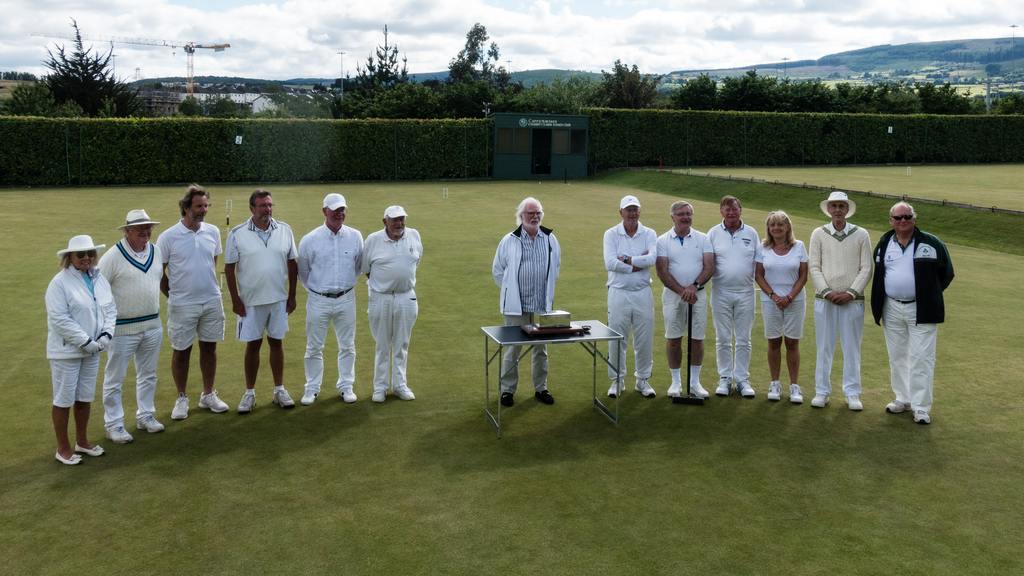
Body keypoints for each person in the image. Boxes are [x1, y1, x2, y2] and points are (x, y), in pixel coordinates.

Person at [871, 201, 954, 425]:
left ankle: (921, 407)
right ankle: (902, 398)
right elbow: (879, 273)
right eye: (898, 218)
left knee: (922, 358)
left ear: (914, 219)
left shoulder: (931, 243)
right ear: (891, 221)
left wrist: (929, 295)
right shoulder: (884, 242)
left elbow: (946, 273)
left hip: (922, 308)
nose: (903, 221)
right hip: (892, 307)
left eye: (907, 216)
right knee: (897, 356)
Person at [155, 184, 230, 419]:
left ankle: (208, 394)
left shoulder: (213, 232)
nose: (203, 210)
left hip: (211, 300)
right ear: (186, 207)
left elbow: (212, 262)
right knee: (181, 350)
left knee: (210, 347)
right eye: (199, 206)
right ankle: (181, 398)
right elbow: (160, 273)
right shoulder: (168, 237)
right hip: (182, 304)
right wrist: (176, 295)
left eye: (206, 206)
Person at [224, 189, 298, 413]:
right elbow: (229, 268)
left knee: (277, 343)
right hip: (250, 301)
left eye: (269, 205)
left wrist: (292, 294)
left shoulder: (285, 230)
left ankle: (279, 390)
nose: (267, 209)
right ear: (252, 208)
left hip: (278, 299)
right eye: (262, 206)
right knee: (253, 345)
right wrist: (235, 299)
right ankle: (249, 394)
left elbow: (292, 263)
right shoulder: (237, 233)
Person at [46, 235, 116, 465]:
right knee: (64, 399)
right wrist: (86, 341)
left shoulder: (99, 278)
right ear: (70, 258)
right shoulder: (59, 282)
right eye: (81, 254)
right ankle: (63, 448)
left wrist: (106, 335)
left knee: (84, 397)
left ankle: (82, 441)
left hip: (94, 349)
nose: (87, 258)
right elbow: (59, 319)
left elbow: (109, 308)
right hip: (67, 352)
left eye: (90, 254)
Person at [97, 209, 165, 444]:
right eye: (139, 229)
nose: (145, 232)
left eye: (148, 228)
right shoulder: (112, 256)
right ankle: (114, 424)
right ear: (127, 231)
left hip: (153, 325)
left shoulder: (156, 251)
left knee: (148, 375)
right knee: (115, 378)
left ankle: (145, 415)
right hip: (122, 329)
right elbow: (98, 290)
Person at [492, 197, 560, 407]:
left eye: (538, 212)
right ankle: (507, 391)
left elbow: (555, 268)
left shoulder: (550, 239)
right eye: (530, 213)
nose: (534, 216)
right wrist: (510, 290)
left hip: (541, 305)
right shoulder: (509, 240)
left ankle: (541, 388)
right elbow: (498, 270)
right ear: (521, 216)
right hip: (516, 306)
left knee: (541, 350)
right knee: (513, 348)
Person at [808, 191, 872, 410]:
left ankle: (852, 393)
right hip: (824, 300)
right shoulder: (818, 233)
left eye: (841, 206)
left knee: (851, 347)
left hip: (852, 301)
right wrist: (827, 291)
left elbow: (866, 268)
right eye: (833, 206)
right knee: (824, 347)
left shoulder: (861, 234)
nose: (837, 210)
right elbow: (814, 266)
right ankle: (822, 392)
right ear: (828, 209)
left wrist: (850, 293)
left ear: (847, 209)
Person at [297, 193, 363, 405]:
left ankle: (346, 386)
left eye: (342, 209)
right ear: (324, 211)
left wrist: (343, 288)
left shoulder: (355, 236)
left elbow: (358, 267)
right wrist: (319, 291)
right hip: (318, 299)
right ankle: (312, 388)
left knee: (347, 345)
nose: (339, 214)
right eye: (334, 210)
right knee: (314, 347)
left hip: (346, 298)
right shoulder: (310, 239)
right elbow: (303, 273)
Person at [362, 205, 422, 403]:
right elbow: (366, 269)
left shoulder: (414, 235)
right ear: (385, 222)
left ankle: (399, 385)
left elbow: (416, 261)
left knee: (402, 343)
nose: (399, 223)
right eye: (395, 219)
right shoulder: (373, 240)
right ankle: (380, 387)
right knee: (382, 344)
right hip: (381, 297)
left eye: (402, 218)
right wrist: (384, 285)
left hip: (406, 297)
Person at [655, 201, 714, 398]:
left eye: (688, 213)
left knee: (697, 338)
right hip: (673, 295)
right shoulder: (662, 240)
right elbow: (662, 271)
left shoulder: (703, 238)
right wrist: (682, 291)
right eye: (681, 214)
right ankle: (676, 382)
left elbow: (709, 267)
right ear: (672, 217)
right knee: (673, 339)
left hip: (698, 294)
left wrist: (693, 287)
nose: (685, 217)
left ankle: (695, 382)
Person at [604, 195, 659, 398]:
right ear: (621, 212)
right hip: (618, 292)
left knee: (644, 338)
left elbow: (652, 258)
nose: (632, 213)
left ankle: (642, 380)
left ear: (639, 211)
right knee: (617, 337)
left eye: (635, 209)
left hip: (643, 292)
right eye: (628, 209)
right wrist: (637, 265)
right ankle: (617, 380)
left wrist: (627, 259)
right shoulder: (611, 234)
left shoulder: (649, 233)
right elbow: (610, 263)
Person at [707, 195, 760, 398]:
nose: (731, 213)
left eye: (735, 209)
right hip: (720, 292)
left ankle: (742, 380)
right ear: (721, 211)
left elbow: (759, 263)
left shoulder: (751, 233)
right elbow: (707, 262)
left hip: (746, 292)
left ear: (741, 210)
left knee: (744, 339)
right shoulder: (713, 233)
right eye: (727, 209)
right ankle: (725, 378)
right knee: (723, 338)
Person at [754, 211, 809, 404]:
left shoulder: (799, 246)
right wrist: (774, 296)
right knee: (774, 342)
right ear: (768, 228)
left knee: (792, 343)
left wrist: (790, 296)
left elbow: (803, 275)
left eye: (780, 225)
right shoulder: (763, 247)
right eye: (772, 225)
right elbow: (759, 275)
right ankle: (775, 383)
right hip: (771, 301)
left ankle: (794, 386)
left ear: (788, 227)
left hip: (795, 300)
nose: (776, 228)